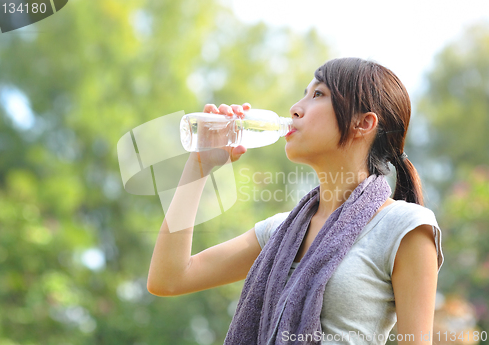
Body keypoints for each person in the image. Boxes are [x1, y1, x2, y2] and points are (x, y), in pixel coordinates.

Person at [147, 57, 444, 345]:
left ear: (363, 123)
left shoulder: (404, 227)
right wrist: (199, 166)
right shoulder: (280, 232)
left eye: (318, 94)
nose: (295, 109)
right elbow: (168, 278)